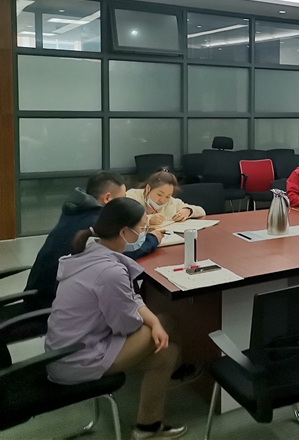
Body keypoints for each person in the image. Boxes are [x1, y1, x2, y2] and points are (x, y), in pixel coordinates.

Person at [45, 197, 187, 439]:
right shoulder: (109, 272)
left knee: (167, 351)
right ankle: (176, 376)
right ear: (124, 232)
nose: (144, 233)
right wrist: (156, 324)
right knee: (166, 325)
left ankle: (147, 427)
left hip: (66, 350)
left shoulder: (91, 251)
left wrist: (154, 322)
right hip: (77, 359)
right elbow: (127, 325)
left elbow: (129, 299)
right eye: (142, 228)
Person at [25, 172, 161, 309]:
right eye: (122, 198)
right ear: (107, 198)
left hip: (39, 293)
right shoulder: (96, 224)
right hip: (52, 305)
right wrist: (153, 239)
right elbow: (122, 254)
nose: (125, 202)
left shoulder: (77, 209)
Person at [127, 169, 206, 227]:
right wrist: (148, 219)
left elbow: (201, 211)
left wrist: (188, 211)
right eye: (159, 194)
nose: (162, 200)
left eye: (168, 196)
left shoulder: (171, 202)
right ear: (148, 188)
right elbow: (124, 217)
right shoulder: (132, 196)